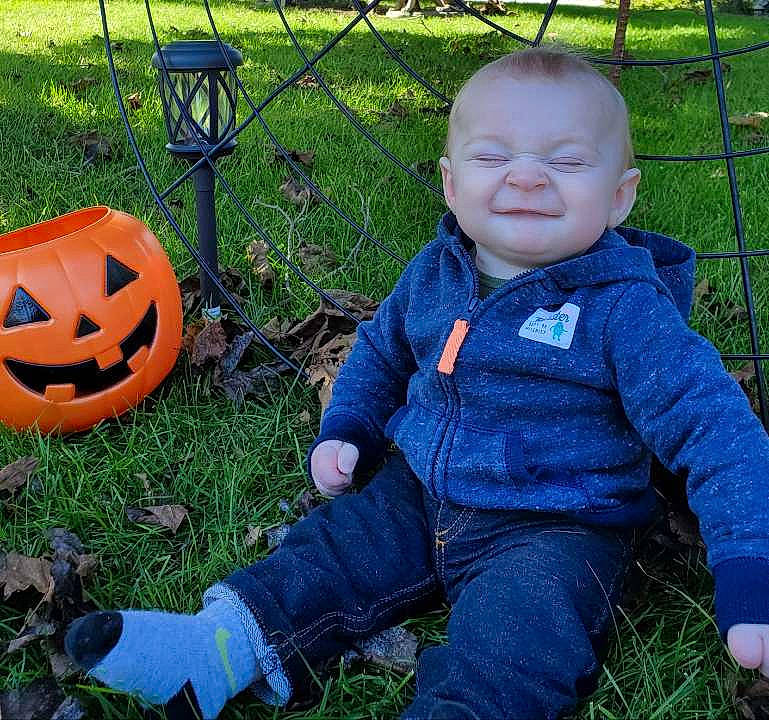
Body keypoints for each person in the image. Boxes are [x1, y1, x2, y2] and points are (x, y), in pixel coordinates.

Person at [64, 47, 769, 720]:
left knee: (520, 640)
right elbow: (379, 349)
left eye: (564, 161)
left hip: (556, 523)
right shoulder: (434, 272)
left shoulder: (625, 311)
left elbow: (715, 428)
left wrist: (748, 563)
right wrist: (350, 427)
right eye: (493, 157)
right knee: (327, 551)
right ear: (452, 184)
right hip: (418, 488)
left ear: (618, 198)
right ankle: (215, 648)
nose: (525, 177)